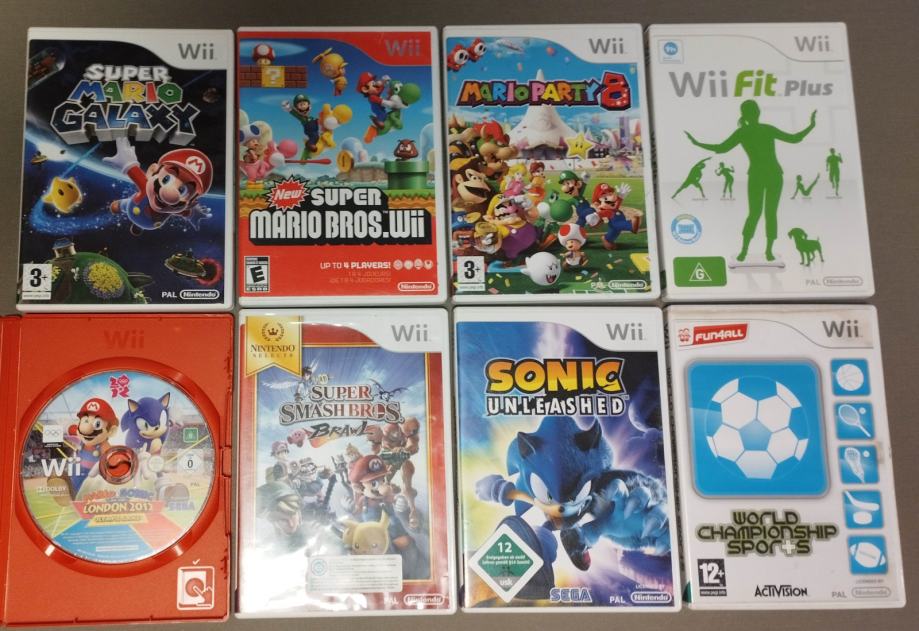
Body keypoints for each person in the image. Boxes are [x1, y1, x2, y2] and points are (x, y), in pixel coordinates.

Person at [685, 100, 816, 262]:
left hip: (760, 175)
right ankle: (764, 252)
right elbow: (794, 138)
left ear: (744, 115)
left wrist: (697, 143)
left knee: (755, 214)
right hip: (772, 174)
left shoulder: (744, 132)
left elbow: (721, 148)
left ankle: (747, 251)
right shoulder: (764, 129)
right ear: (757, 112)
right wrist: (811, 125)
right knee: (769, 214)